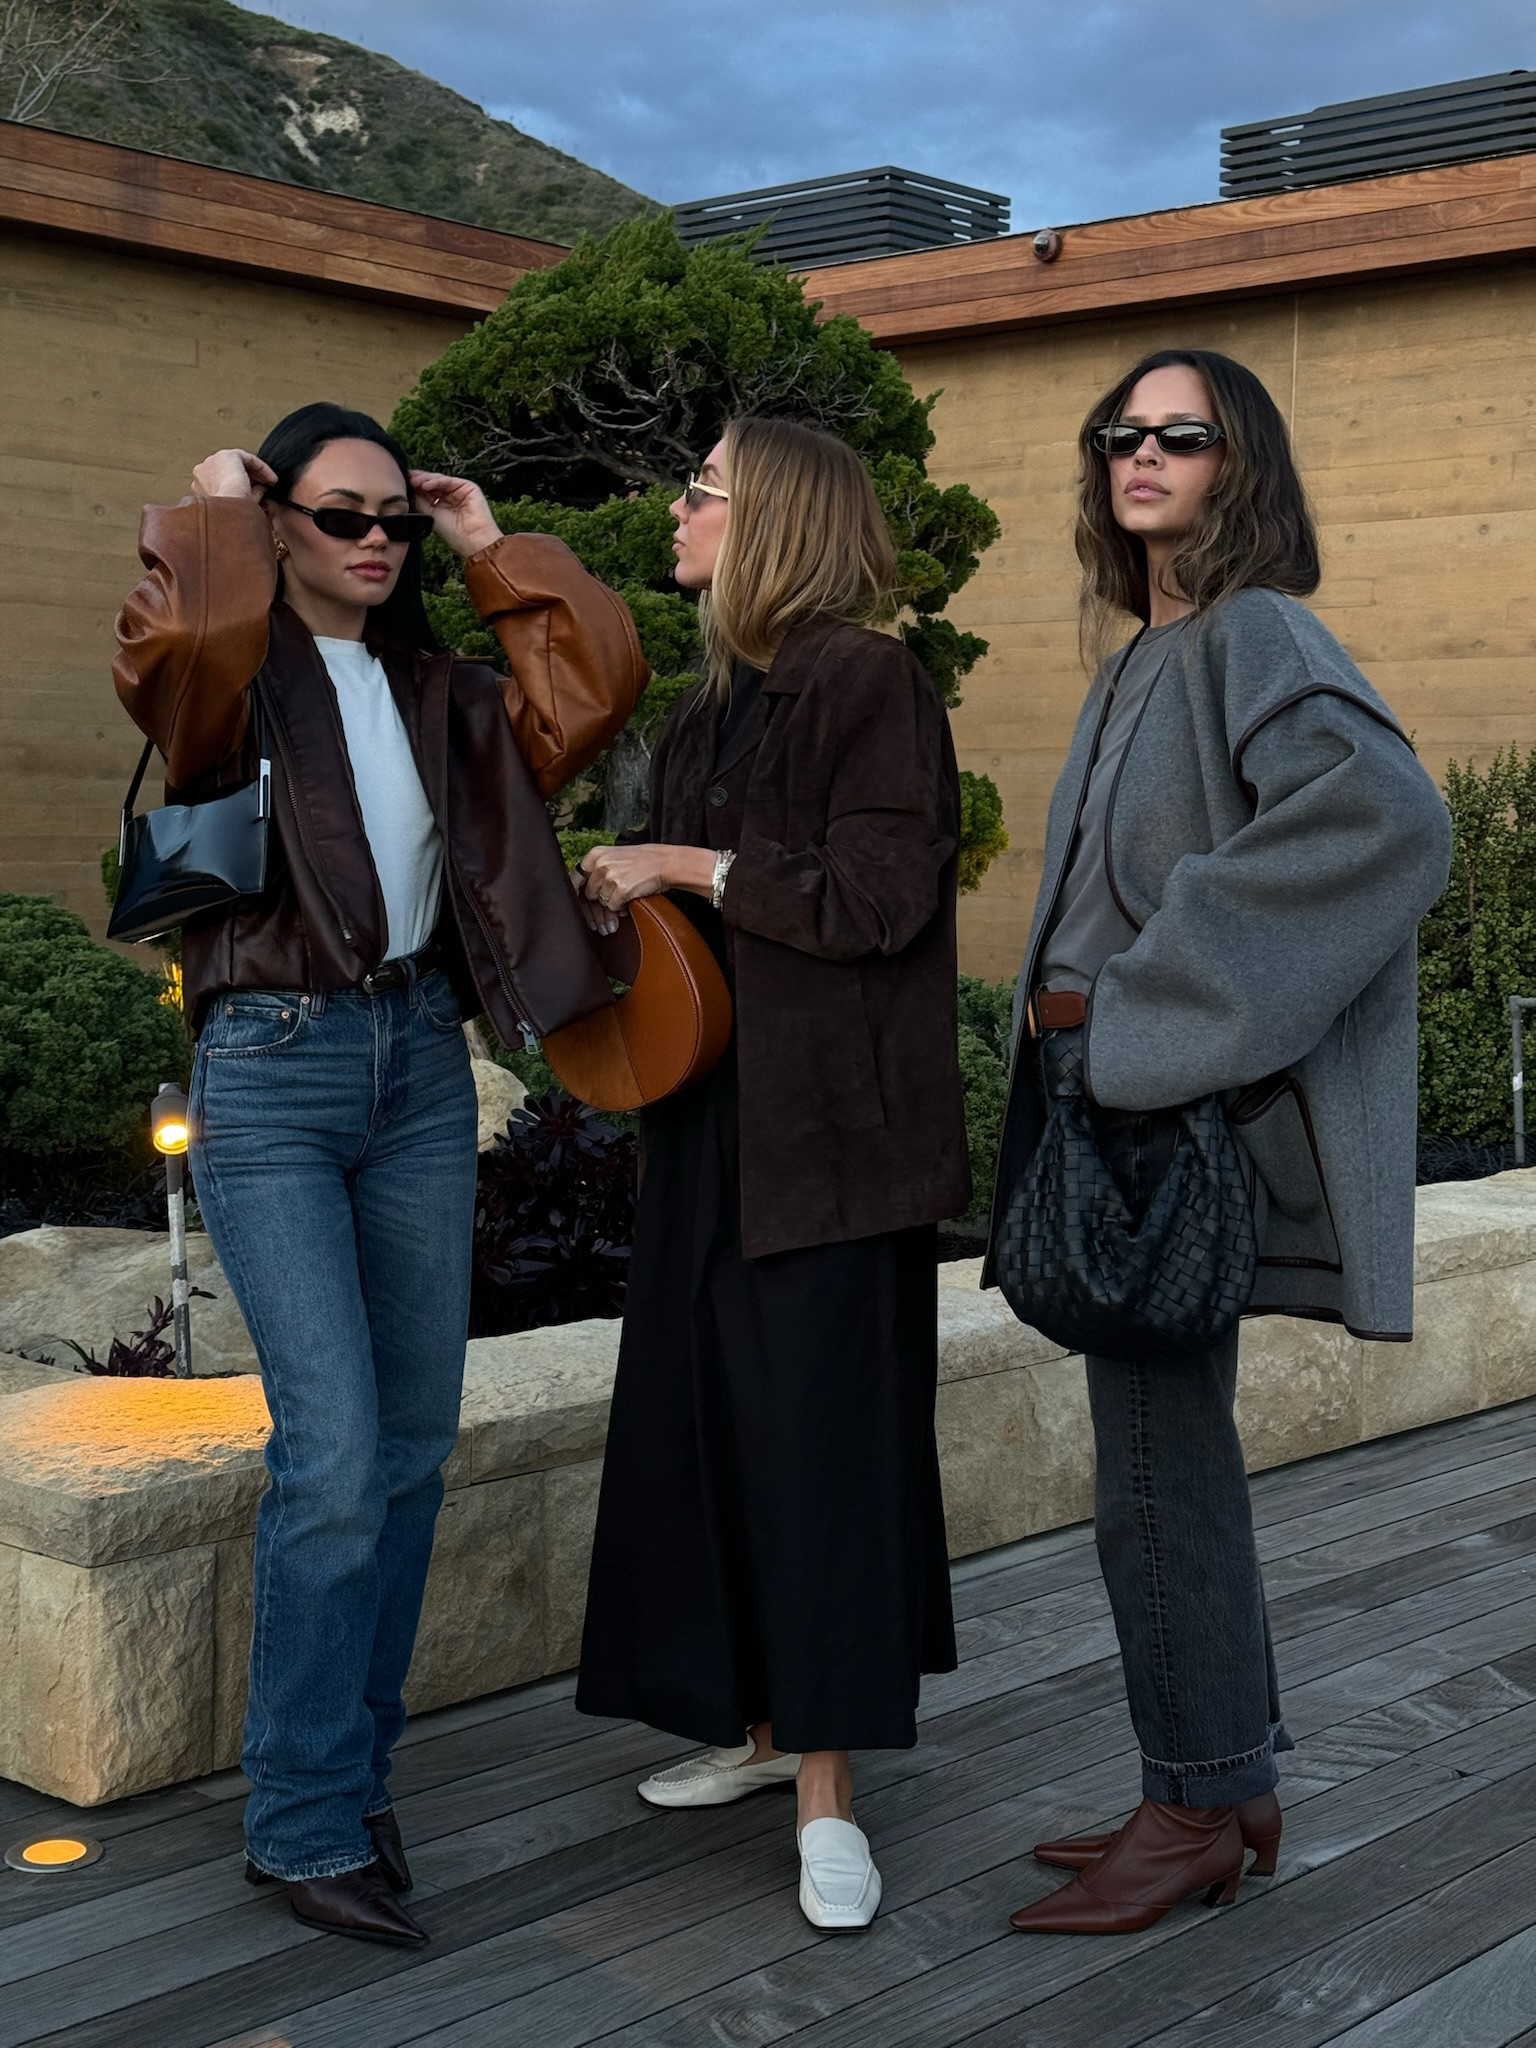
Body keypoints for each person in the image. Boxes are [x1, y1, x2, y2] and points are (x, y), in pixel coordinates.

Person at [113, 403, 646, 1947]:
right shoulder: (228, 676)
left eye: (392, 519)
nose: (373, 540)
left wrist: (489, 546)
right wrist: (214, 507)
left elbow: (592, 690)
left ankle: (351, 1778)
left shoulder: (442, 689)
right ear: (279, 522)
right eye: (340, 514)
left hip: (417, 1064)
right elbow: (178, 649)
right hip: (272, 1069)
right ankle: (297, 1819)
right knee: (335, 1457)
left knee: (411, 1453)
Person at [991, 349, 1452, 1935]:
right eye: (1121, 433)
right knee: (1167, 1450)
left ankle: (1191, 1804)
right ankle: (1224, 1775)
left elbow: (1388, 818)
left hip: (1155, 1104)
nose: (1143, 454)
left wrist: (1157, 1000)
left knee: (1151, 1467)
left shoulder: (1257, 630)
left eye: (1179, 436)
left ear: (1238, 463)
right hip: (1107, 1095)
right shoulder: (1148, 650)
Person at [573, 415, 969, 1932]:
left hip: (830, 1152)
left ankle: (827, 1796)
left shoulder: (868, 680)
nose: (677, 511)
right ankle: (753, 1735)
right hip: (707, 1127)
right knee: (707, 1435)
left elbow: (877, 898)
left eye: (702, 490)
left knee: (817, 1457)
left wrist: (682, 866)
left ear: (776, 520)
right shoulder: (710, 706)